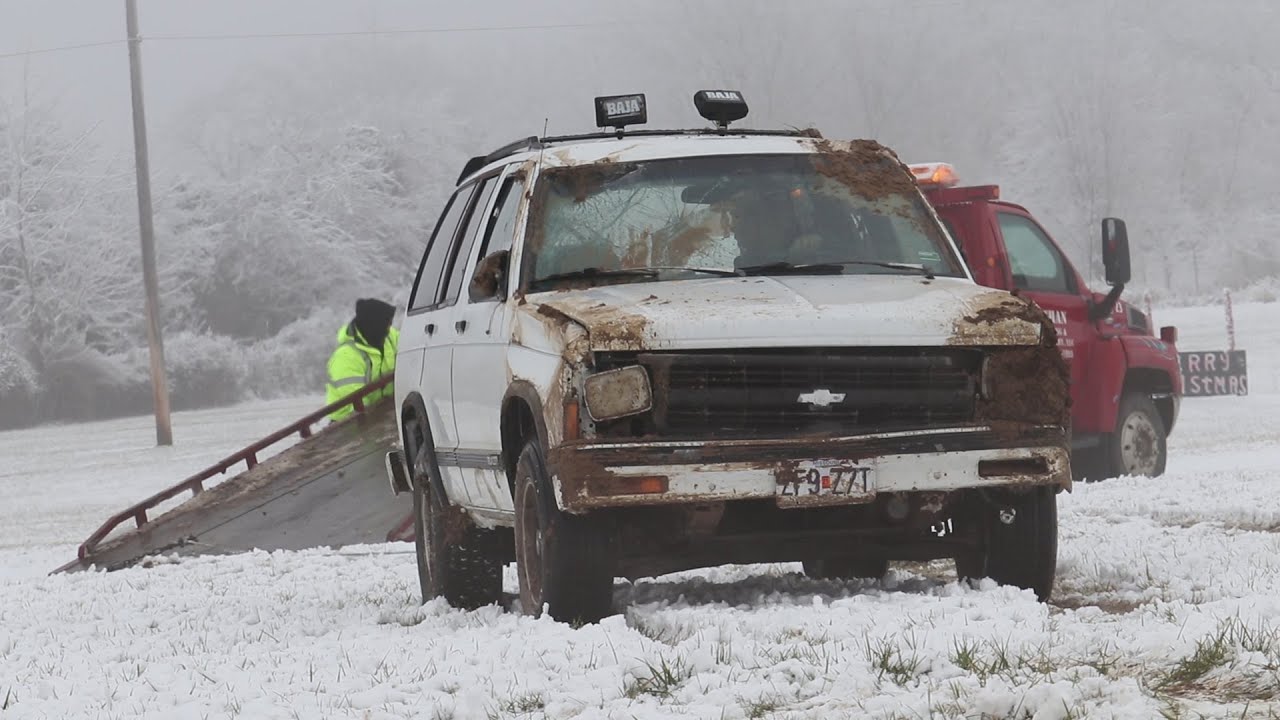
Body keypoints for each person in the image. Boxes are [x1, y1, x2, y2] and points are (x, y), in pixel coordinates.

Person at [326, 298, 399, 421]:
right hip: (347, 422)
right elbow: (356, 402)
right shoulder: (347, 357)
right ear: (375, 326)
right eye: (388, 323)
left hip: (382, 410)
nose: (390, 327)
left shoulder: (389, 337)